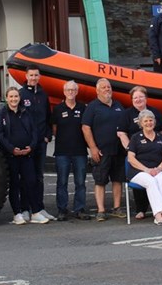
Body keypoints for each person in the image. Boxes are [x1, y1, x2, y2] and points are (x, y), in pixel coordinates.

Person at [0, 87, 48, 224]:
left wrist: (31, 146)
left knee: (31, 182)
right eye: (11, 97)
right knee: (15, 184)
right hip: (10, 156)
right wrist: (12, 149)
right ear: (6, 98)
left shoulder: (26, 112)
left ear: (19, 98)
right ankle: (17, 214)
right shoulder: (1, 113)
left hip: (27, 155)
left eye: (16, 96)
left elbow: (34, 131)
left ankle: (35, 212)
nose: (14, 99)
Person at [81, 78, 129, 221]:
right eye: (103, 87)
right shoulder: (92, 107)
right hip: (101, 151)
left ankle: (116, 208)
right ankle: (101, 210)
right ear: (97, 90)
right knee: (100, 181)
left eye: (108, 87)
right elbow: (85, 127)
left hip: (118, 150)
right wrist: (93, 148)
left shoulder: (119, 105)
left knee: (117, 180)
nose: (107, 89)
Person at [122, 86, 162, 219]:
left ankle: (158, 208)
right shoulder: (127, 114)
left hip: (155, 152)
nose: (138, 100)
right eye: (135, 97)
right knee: (142, 181)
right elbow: (121, 133)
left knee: (157, 180)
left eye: (141, 97)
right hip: (137, 152)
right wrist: (130, 148)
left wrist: (161, 144)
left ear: (146, 98)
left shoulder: (155, 112)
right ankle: (141, 209)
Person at [127, 110, 162, 225]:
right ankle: (159, 214)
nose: (149, 123)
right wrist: (146, 170)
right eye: (146, 121)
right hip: (138, 171)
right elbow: (131, 158)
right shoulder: (135, 137)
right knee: (151, 182)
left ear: (154, 122)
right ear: (141, 123)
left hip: (156, 169)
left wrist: (159, 168)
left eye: (151, 120)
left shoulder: (161, 137)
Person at [51, 80, 91, 221]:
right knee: (62, 182)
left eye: (73, 90)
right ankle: (62, 210)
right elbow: (54, 129)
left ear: (77, 91)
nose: (71, 92)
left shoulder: (83, 108)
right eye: (68, 90)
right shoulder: (58, 109)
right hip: (62, 152)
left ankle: (79, 209)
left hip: (80, 151)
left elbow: (86, 128)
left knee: (80, 182)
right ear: (64, 92)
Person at [19, 65, 54, 221]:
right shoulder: (21, 94)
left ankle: (39, 208)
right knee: (27, 177)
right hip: (27, 144)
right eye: (31, 75)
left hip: (41, 142)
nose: (33, 78)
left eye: (36, 75)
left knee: (39, 177)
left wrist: (48, 136)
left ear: (39, 77)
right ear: (26, 76)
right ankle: (25, 208)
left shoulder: (43, 94)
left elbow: (48, 117)